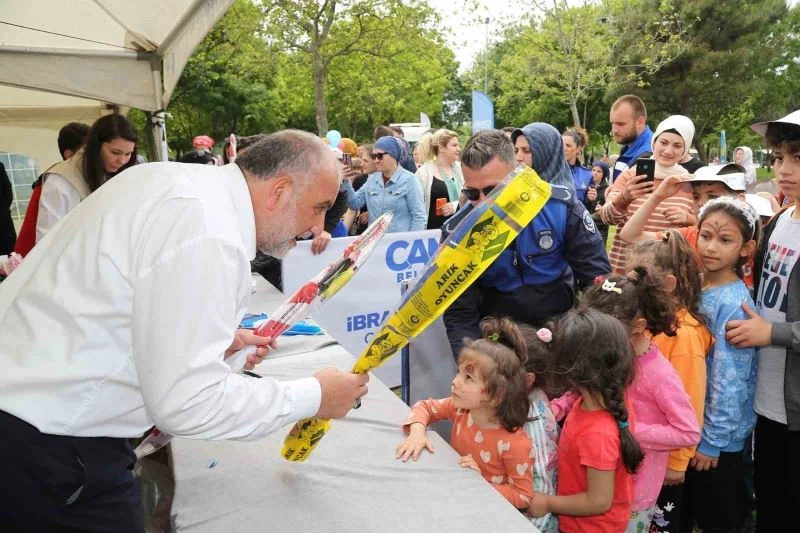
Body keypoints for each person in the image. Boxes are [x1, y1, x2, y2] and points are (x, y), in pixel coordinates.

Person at [0, 130, 369, 531]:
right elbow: (187, 402)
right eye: (317, 208)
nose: (317, 228)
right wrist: (315, 395)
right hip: (49, 445)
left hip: (32, 420)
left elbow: (124, 305)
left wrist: (211, 344)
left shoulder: (175, 186)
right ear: (279, 191)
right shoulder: (210, 231)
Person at [442, 129, 610, 357]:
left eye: (493, 190)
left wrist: (586, 340)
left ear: (519, 174)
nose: (484, 203)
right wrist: (473, 362)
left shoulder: (561, 207)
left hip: (560, 329)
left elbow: (597, 280)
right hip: (498, 340)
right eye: (472, 193)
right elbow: (460, 312)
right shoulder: (458, 232)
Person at [724, 110, 800, 533]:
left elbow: (774, 324)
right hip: (766, 400)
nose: (784, 170)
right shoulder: (778, 223)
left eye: (797, 157)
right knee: (770, 504)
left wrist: (772, 332)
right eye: (778, 157)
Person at [583, 268, 701, 532]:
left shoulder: (659, 374)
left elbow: (688, 431)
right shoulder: (610, 354)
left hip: (634, 494)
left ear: (637, 326)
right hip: (598, 481)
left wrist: (629, 428)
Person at [680, 197, 759, 533]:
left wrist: (713, 440)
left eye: (725, 240)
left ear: (746, 248)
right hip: (692, 426)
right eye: (706, 236)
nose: (711, 247)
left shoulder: (733, 303)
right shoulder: (696, 284)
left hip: (717, 440)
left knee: (718, 515)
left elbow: (730, 380)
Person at [396, 317, 534, 509]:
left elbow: (523, 497)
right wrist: (417, 432)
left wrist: (481, 483)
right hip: (456, 497)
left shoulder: (515, 444)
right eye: (458, 372)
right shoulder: (461, 410)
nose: (455, 382)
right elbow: (425, 407)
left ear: (496, 395)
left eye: (468, 378)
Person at [527, 308, 644, 532]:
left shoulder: (598, 433)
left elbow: (598, 501)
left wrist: (547, 502)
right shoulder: (599, 402)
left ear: (572, 370)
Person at [626, 233, 713, 532]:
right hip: (642, 458)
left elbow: (690, 401)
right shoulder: (643, 324)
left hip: (665, 464)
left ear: (669, 284)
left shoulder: (684, 336)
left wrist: (678, 462)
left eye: (638, 280)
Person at [600, 114, 696, 273]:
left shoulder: (690, 183)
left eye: (677, 146)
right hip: (625, 268)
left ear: (685, 150)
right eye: (663, 142)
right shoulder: (631, 175)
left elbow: (702, 227)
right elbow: (607, 217)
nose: (668, 150)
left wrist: (688, 219)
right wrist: (623, 199)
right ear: (654, 142)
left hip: (666, 272)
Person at [36, 114, 138, 243]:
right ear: (96, 146)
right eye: (115, 152)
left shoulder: (121, 173)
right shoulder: (61, 181)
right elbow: (46, 241)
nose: (122, 160)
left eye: (128, 154)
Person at [14, 122, 90, 257]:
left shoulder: (72, 177)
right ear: (69, 155)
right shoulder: (58, 180)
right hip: (32, 257)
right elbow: (46, 238)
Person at [519, 324, 560, 533]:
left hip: (536, 523)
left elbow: (542, 481)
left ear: (528, 379)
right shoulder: (528, 397)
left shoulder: (532, 418)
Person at [343, 135, 426, 233]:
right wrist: (346, 181)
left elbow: (419, 217)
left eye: (380, 156)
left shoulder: (409, 180)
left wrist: (412, 243)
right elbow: (354, 203)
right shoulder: (372, 179)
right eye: (374, 156)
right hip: (376, 244)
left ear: (393, 155)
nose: (376, 160)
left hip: (400, 244)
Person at [415, 129, 464, 229]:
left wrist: (456, 205)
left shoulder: (462, 169)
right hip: (432, 234)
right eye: (454, 145)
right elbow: (416, 206)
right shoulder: (423, 173)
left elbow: (472, 197)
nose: (459, 149)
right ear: (441, 148)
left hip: (460, 231)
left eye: (458, 145)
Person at [511, 123, 575, 191]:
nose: (518, 158)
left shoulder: (562, 196)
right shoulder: (512, 187)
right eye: (516, 151)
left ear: (546, 153)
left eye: (526, 151)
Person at [609, 95, 655, 180]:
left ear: (640, 122)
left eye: (620, 124)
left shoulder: (648, 155)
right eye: (612, 123)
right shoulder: (628, 146)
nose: (614, 130)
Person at [562, 128, 593, 203]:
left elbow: (588, 205)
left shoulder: (587, 174)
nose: (564, 149)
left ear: (578, 149)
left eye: (568, 146)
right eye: (561, 145)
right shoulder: (551, 170)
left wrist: (592, 199)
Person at [584, 160, 611, 245]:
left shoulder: (607, 190)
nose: (595, 173)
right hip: (583, 227)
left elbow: (606, 213)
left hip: (600, 229)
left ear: (604, 174)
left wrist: (597, 204)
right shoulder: (584, 186)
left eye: (599, 171)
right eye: (593, 170)